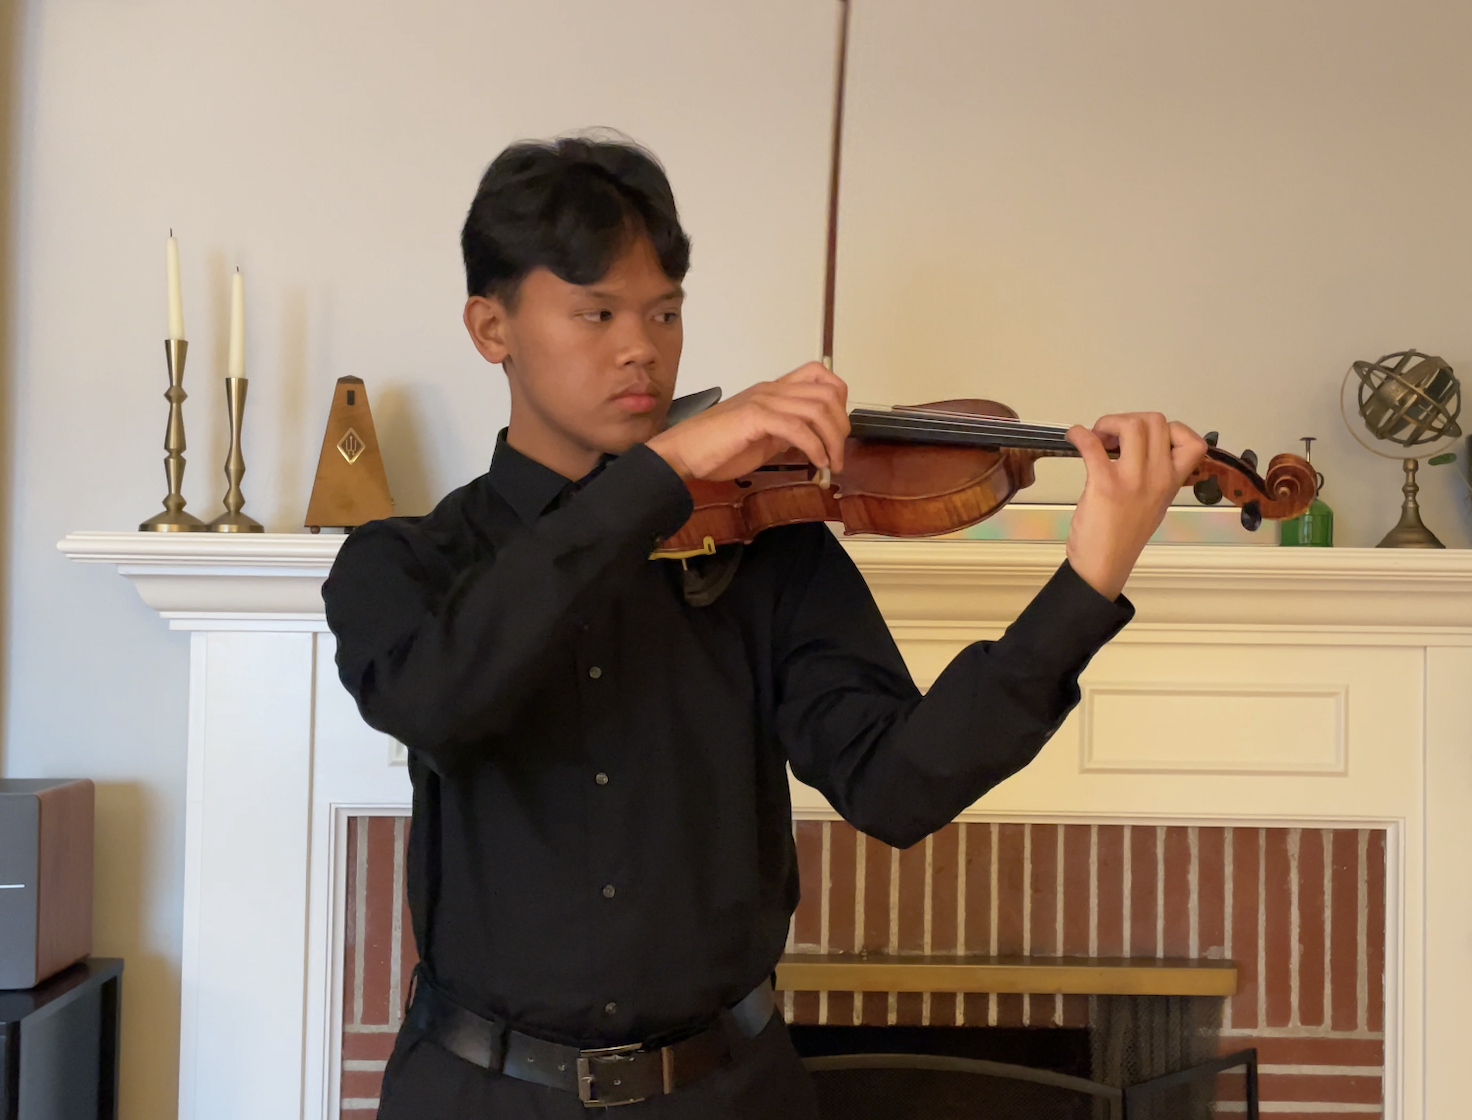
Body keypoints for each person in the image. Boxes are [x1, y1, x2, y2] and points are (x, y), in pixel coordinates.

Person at [322, 135, 1207, 1119]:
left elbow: (899, 787)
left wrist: (1088, 579)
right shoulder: (403, 563)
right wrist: (658, 477)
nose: (640, 348)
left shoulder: (768, 549)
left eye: (664, 311)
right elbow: (436, 697)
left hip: (728, 1093)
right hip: (473, 1097)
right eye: (596, 311)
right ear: (491, 327)